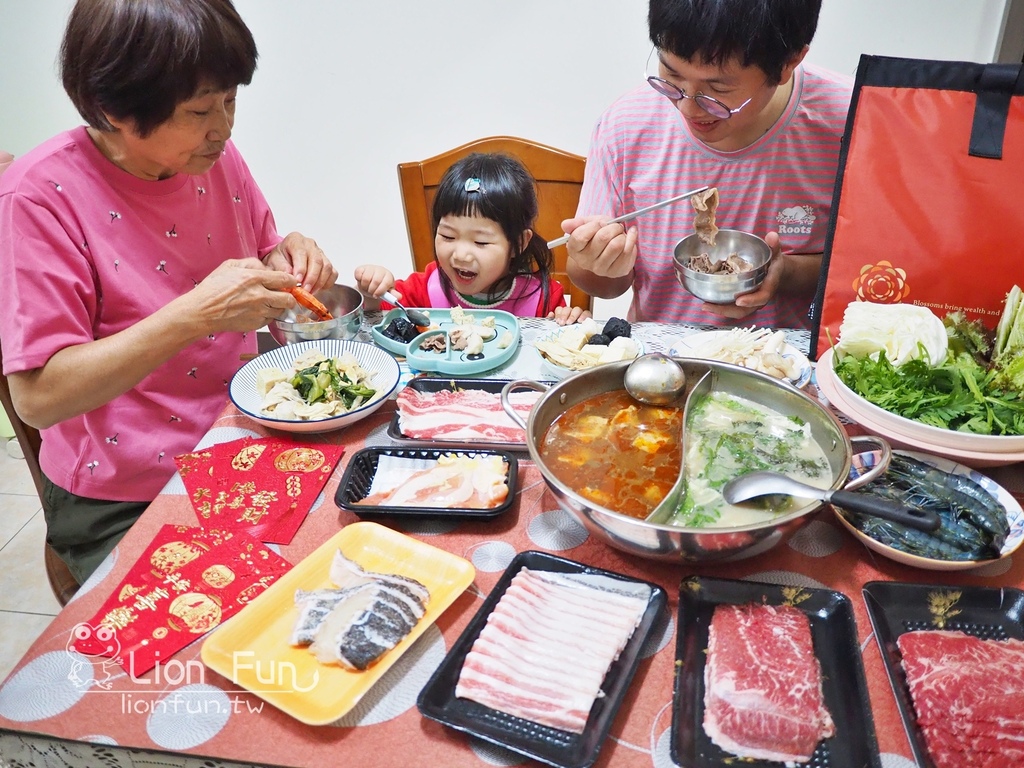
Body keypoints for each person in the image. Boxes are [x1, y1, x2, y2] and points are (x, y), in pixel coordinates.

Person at [0, 0, 338, 584]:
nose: (225, 128)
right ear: (114, 110)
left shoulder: (212, 156)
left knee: (354, 547)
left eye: (231, 100)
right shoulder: (37, 198)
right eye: (200, 110)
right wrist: (192, 315)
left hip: (237, 434)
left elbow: (260, 251)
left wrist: (288, 253)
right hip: (123, 491)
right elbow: (36, 397)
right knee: (226, 628)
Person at [563, 0, 853, 329]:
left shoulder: (851, 123)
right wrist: (599, 263)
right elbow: (598, 282)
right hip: (664, 365)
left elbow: (874, 270)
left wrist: (786, 275)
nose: (687, 107)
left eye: (717, 89)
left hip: (791, 367)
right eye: (671, 74)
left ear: (789, 62)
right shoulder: (625, 127)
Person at [356, 153, 589, 324]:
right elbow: (379, 319)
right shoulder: (425, 288)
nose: (461, 254)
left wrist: (572, 322)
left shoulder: (542, 299)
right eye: (448, 236)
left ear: (518, 243)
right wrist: (372, 295)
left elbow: (560, 339)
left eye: (480, 242)